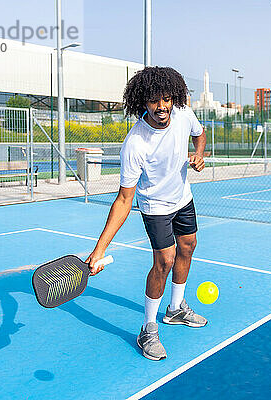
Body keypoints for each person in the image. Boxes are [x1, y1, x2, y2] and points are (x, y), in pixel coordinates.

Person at [85, 66, 208, 361]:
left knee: (188, 246)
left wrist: (200, 154)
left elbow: (200, 134)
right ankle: (147, 329)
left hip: (182, 198)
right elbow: (124, 199)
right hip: (155, 206)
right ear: (143, 102)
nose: (162, 106)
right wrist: (99, 249)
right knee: (164, 261)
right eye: (154, 101)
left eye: (166, 99)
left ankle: (176, 308)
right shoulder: (136, 143)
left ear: (174, 98)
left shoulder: (183, 115)